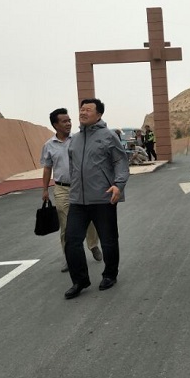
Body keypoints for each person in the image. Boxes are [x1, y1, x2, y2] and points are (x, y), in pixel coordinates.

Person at [63, 98, 130, 299]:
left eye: (88, 110)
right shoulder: (75, 139)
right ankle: (79, 281)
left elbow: (120, 162)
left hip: (103, 197)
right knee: (72, 241)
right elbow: (73, 167)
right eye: (81, 109)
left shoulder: (108, 136)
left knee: (108, 241)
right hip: (78, 200)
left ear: (99, 114)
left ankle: (110, 274)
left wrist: (118, 185)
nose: (83, 112)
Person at [40, 108, 101, 273]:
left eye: (69, 120)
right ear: (55, 125)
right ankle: (69, 257)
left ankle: (93, 245)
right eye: (64, 121)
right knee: (66, 225)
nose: (68, 124)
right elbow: (47, 168)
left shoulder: (79, 140)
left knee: (89, 219)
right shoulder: (49, 145)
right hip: (61, 188)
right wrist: (45, 190)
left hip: (82, 187)